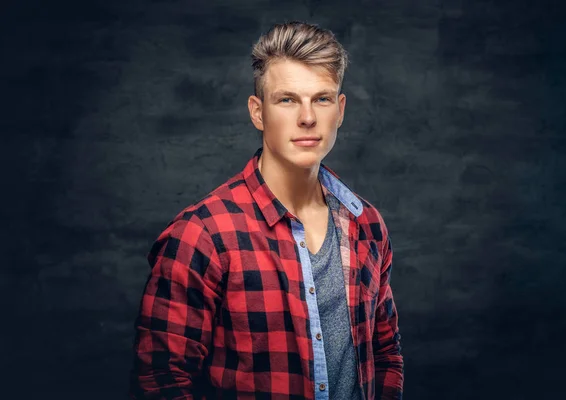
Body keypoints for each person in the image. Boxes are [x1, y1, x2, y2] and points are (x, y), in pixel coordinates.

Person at [129, 21, 404, 400]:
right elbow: (161, 382)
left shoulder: (366, 224)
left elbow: (385, 353)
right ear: (258, 113)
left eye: (321, 99)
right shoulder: (202, 236)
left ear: (340, 110)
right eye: (287, 99)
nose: (307, 117)